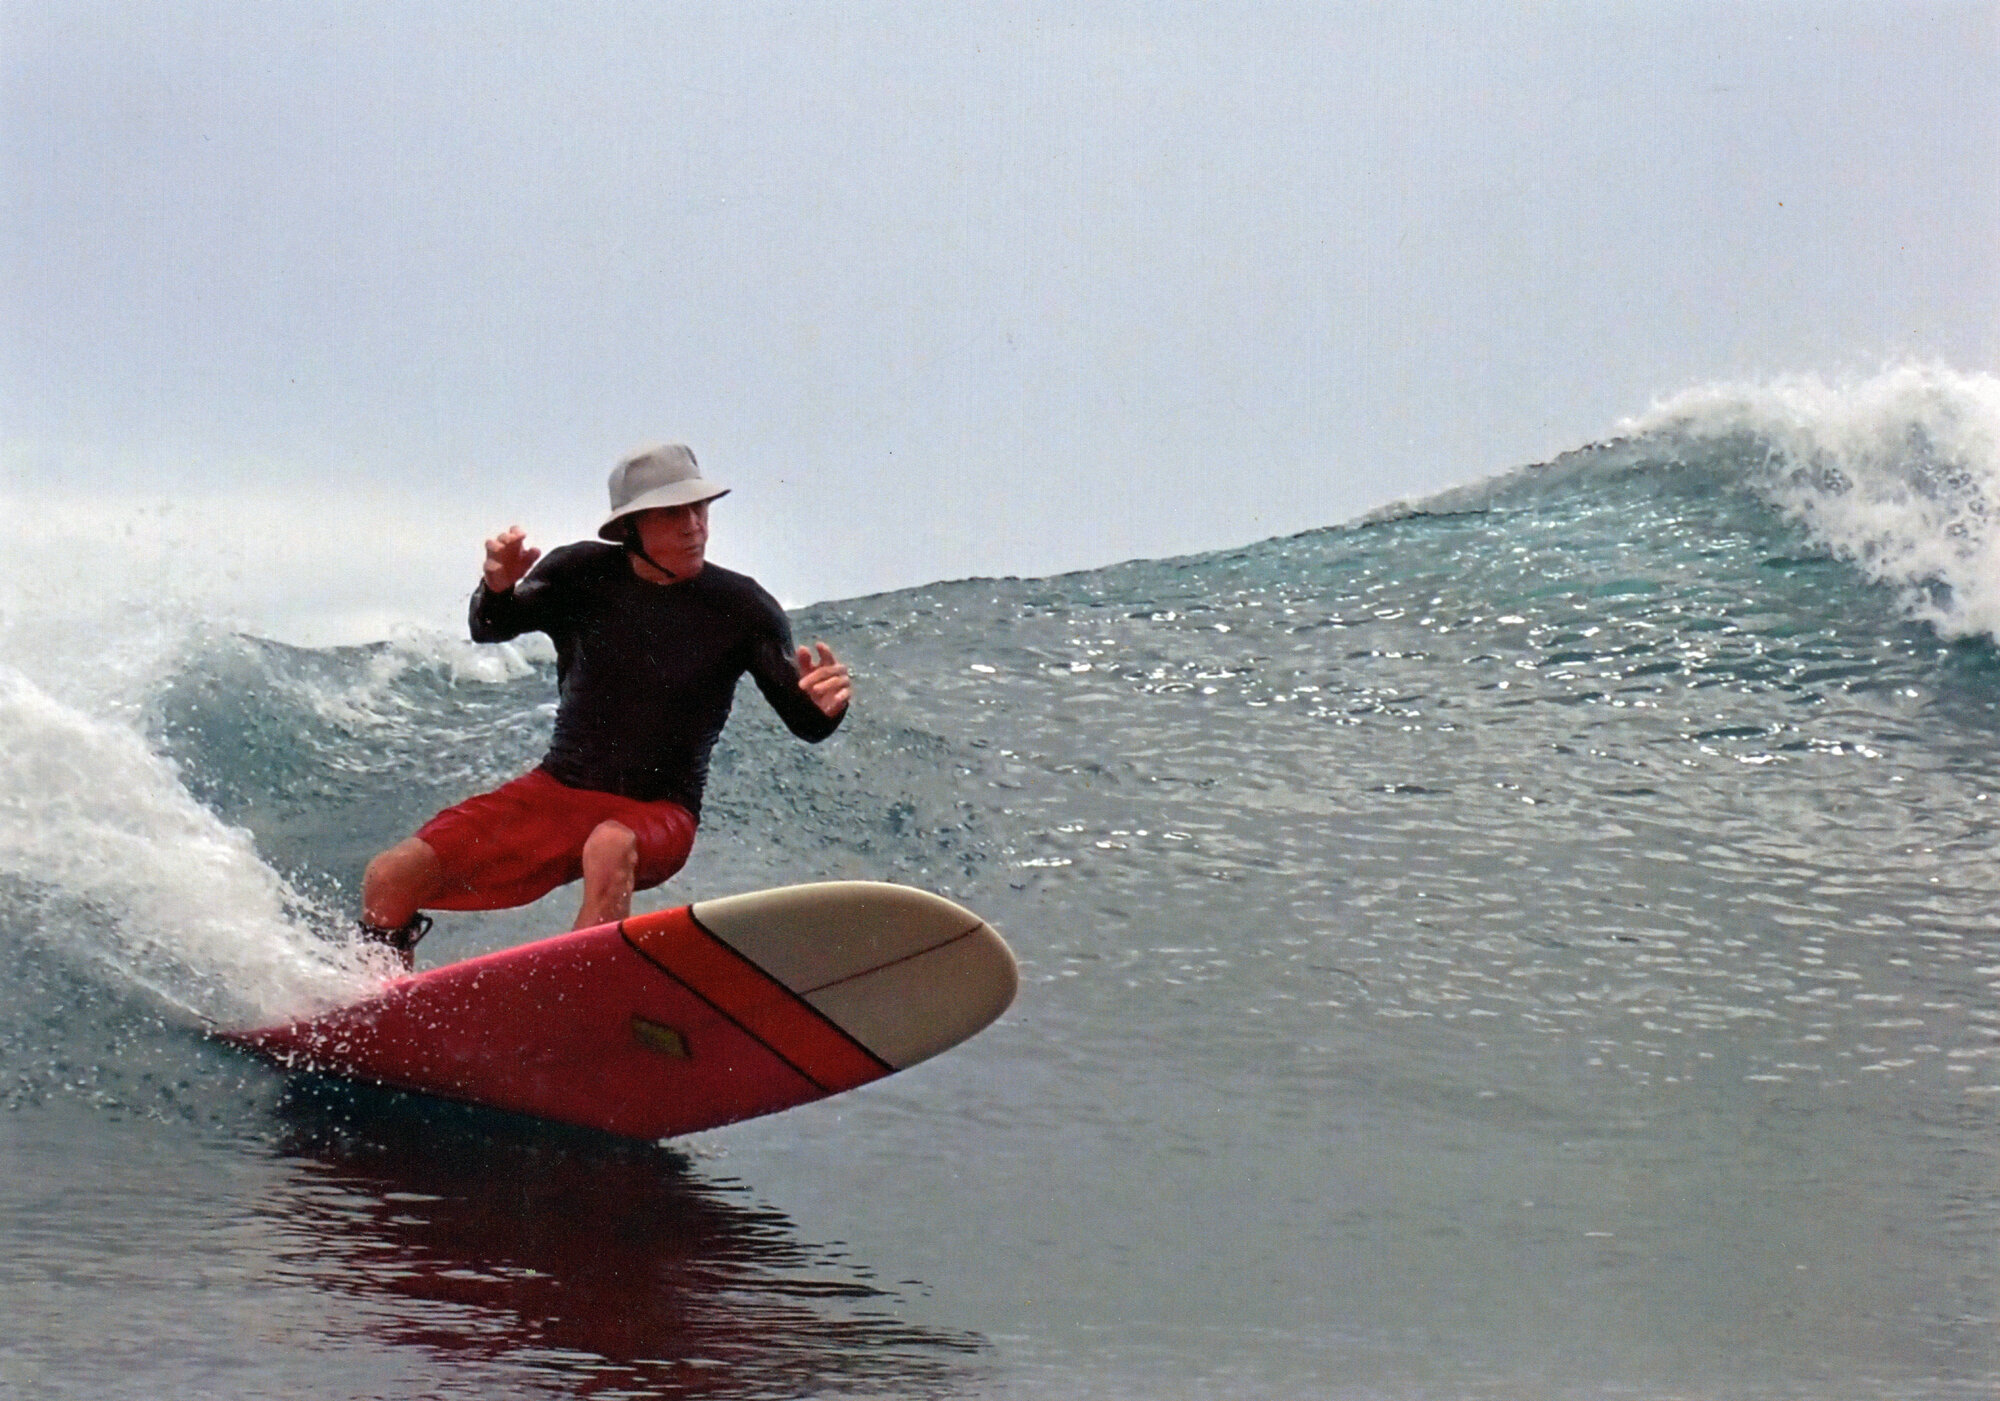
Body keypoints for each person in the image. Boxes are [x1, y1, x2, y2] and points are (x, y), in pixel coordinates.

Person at [358, 443, 852, 962]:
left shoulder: (742, 607)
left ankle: (581, 993)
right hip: (559, 791)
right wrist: (497, 587)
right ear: (631, 527)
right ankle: (379, 998)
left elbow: (806, 724)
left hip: (659, 812)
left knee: (609, 845)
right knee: (390, 875)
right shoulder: (581, 574)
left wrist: (826, 706)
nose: (693, 526)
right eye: (671, 513)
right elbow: (490, 627)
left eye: (699, 509)